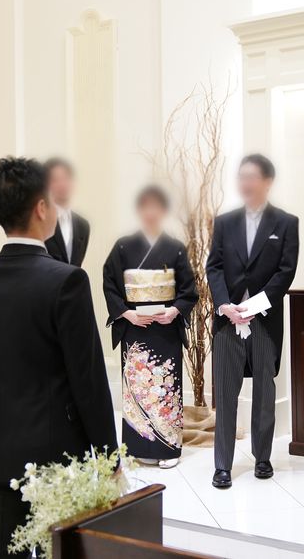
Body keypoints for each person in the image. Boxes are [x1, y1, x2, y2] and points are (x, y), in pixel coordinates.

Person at [0, 157, 118, 559]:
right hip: (57, 454)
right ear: (42, 207)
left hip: (1, 448)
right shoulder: (67, 280)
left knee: (7, 550)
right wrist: (109, 456)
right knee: (60, 551)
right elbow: (88, 379)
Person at [206, 154, 299, 489]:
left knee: (264, 393)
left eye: (252, 177)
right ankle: (222, 465)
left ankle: (262, 458)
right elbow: (214, 266)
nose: (245, 183)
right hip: (228, 320)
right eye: (241, 176)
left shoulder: (286, 223)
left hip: (264, 320)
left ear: (267, 181)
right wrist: (224, 305)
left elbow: (285, 271)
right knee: (226, 394)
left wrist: (255, 306)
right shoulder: (224, 222)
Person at [103, 185, 198, 469]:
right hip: (135, 328)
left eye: (156, 206)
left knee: (166, 387)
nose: (150, 212)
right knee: (137, 388)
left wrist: (174, 310)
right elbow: (109, 283)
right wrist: (126, 314)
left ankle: (169, 449)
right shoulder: (123, 246)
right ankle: (139, 446)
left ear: (163, 211)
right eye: (145, 206)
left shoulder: (175, 247)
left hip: (165, 328)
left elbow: (189, 289)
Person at [44, 157, 90, 267]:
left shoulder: (83, 225)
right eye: (55, 180)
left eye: (65, 178)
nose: (62, 184)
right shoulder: (41, 220)